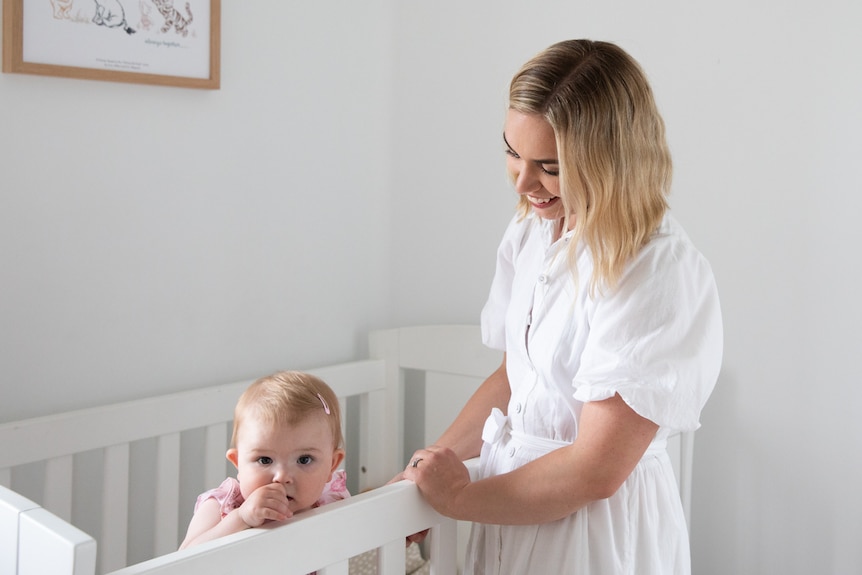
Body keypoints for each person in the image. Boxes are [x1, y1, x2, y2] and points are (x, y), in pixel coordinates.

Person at [401, 39, 723, 574]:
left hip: (593, 528)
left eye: (549, 166)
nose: (524, 183)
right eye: (511, 152)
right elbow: (515, 377)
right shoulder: (534, 229)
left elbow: (595, 469)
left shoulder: (658, 269)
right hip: (511, 503)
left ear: (610, 161)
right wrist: (430, 467)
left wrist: (459, 500)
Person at [180, 371, 348, 549]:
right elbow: (181, 562)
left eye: (304, 459)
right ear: (238, 462)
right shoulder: (221, 506)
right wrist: (241, 518)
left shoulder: (332, 502)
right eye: (265, 460)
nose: (282, 477)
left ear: (331, 465)